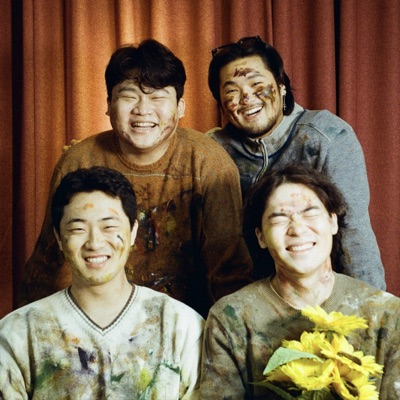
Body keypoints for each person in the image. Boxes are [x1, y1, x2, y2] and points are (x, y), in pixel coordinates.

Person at [20, 39, 253, 317]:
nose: (143, 109)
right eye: (129, 96)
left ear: (180, 107)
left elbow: (229, 271)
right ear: (109, 104)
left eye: (158, 97)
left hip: (186, 322)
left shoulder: (208, 164)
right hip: (92, 318)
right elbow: (50, 265)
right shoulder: (80, 162)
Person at [0, 166, 204, 398]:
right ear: (59, 237)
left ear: (133, 231)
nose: (95, 243)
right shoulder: (18, 334)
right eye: (78, 229)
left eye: (109, 227)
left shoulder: (181, 326)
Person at [199, 165, 400, 399]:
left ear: (333, 221)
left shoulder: (387, 314)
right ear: (260, 236)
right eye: (279, 218)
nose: (297, 229)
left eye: (310, 213)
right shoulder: (232, 318)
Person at [207, 35, 385, 290]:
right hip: (246, 298)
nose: (246, 97)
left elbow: (353, 232)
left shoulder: (326, 136)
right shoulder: (212, 151)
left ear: (281, 86)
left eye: (257, 84)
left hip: (322, 293)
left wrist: (369, 305)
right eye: (232, 91)